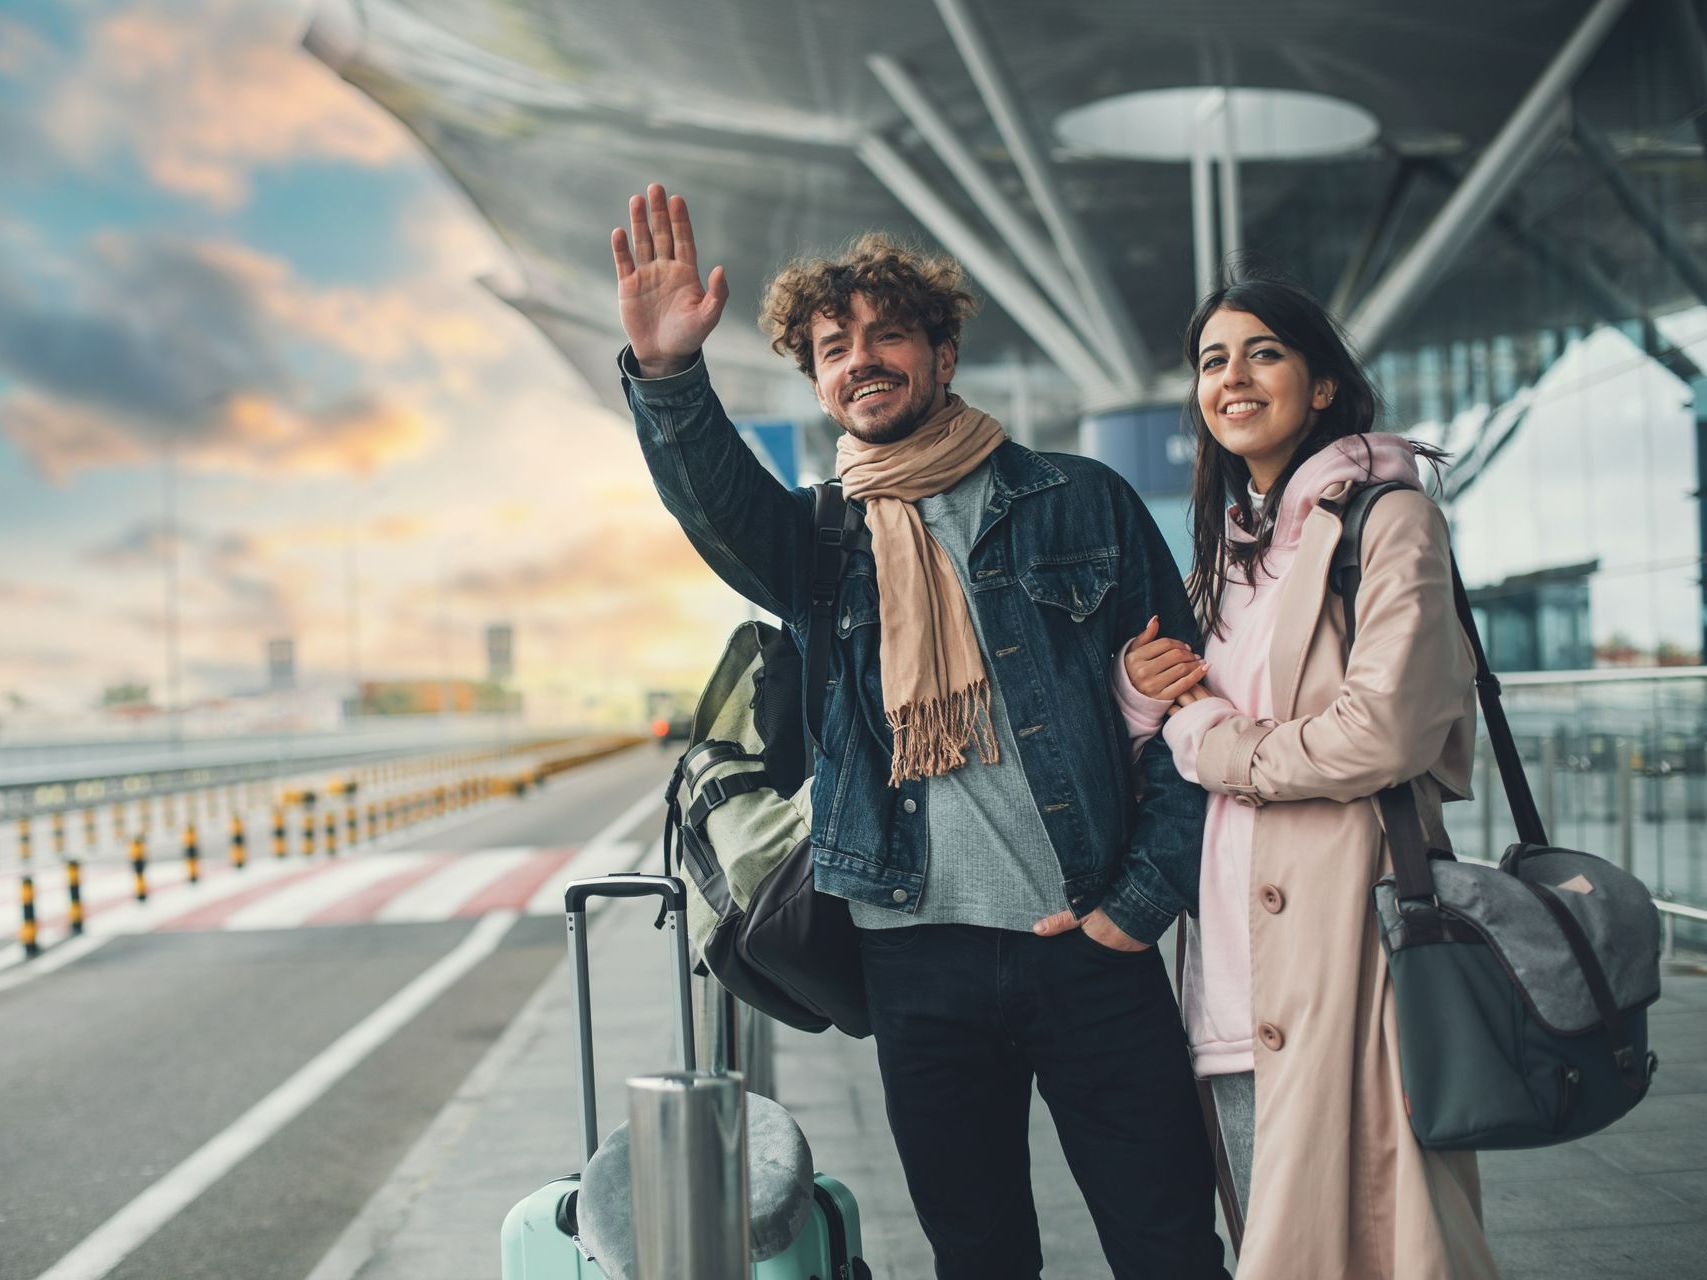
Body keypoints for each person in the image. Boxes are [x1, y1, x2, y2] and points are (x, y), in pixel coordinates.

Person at [611, 183, 1227, 1280]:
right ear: (817, 377)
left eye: (887, 332)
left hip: (1087, 940)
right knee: (979, 1254)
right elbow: (715, 507)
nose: (862, 358)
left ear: (943, 351)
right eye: (833, 345)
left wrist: (1138, 907)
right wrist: (670, 375)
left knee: (1168, 1241)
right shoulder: (819, 541)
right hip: (916, 959)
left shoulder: (1081, 503)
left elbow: (1192, 724)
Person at [1095, 276, 1500, 1278]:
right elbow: (1181, 729)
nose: (1233, 377)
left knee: (1379, 1234)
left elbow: (1386, 729)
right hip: (1230, 963)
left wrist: (1213, 740)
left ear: (1322, 384)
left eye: (1263, 352)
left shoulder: (1388, 519)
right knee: (1274, 1232)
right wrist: (1143, 697)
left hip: (1348, 939)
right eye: (1211, 360)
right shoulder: (1227, 550)